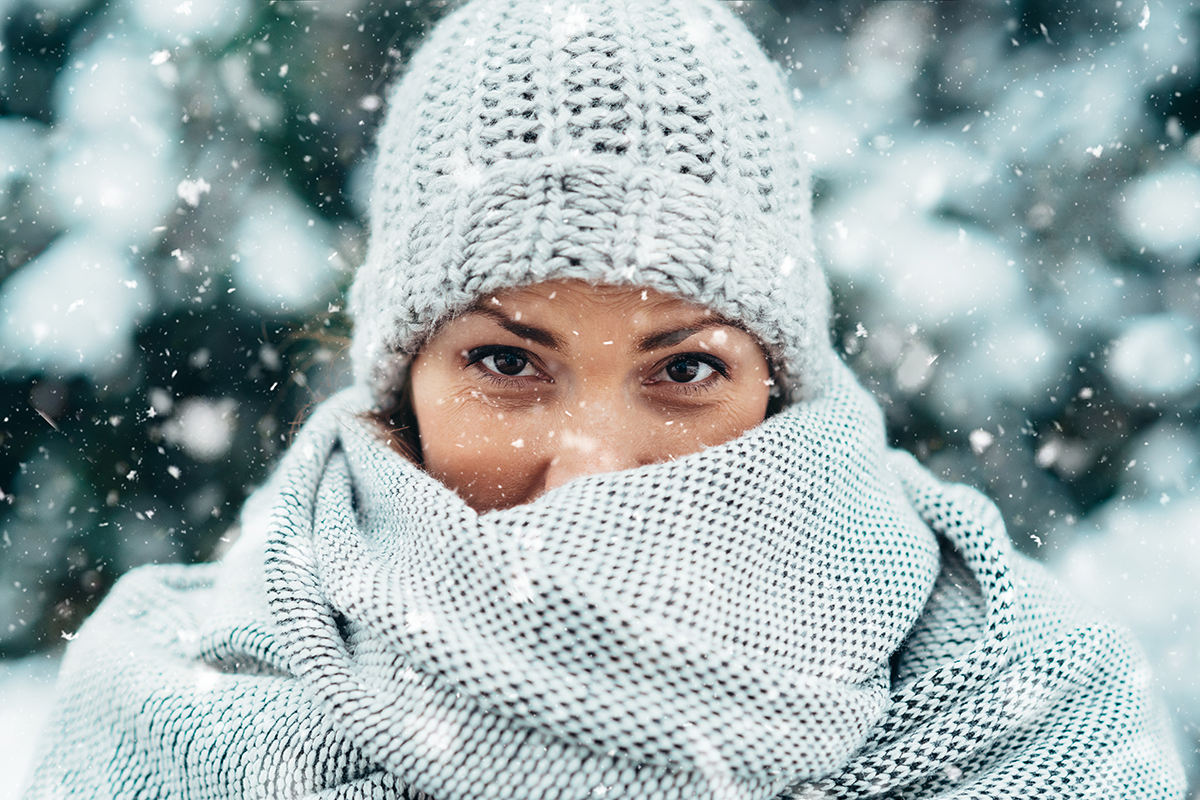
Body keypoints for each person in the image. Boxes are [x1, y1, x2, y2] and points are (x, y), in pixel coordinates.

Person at [23, 0, 1185, 797]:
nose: (591, 465)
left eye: (684, 370)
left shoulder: (1033, 712)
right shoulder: (173, 718)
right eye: (506, 361)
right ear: (400, 385)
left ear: (781, 384)